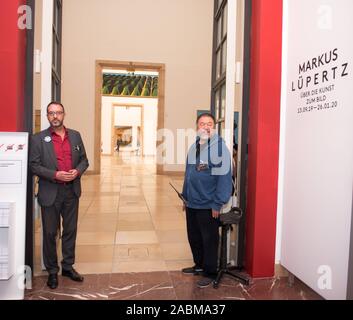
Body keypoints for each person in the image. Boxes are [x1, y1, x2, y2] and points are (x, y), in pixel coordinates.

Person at [29, 102, 89, 289]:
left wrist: (77, 172)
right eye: (51, 113)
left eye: (58, 113)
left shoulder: (76, 136)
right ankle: (52, 271)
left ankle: (68, 267)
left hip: (71, 191)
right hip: (50, 192)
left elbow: (84, 161)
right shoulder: (39, 139)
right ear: (47, 116)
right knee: (49, 232)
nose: (55, 116)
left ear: (64, 114)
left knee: (70, 230)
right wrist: (55, 174)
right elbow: (34, 166)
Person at [181, 112, 232, 288]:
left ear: (214, 127)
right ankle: (200, 265)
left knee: (209, 239)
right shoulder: (195, 146)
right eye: (202, 124)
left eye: (209, 123)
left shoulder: (220, 148)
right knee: (194, 237)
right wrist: (184, 196)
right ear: (197, 127)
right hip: (192, 202)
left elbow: (224, 178)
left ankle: (210, 272)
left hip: (208, 204)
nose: (206, 126)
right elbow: (189, 174)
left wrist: (217, 203)